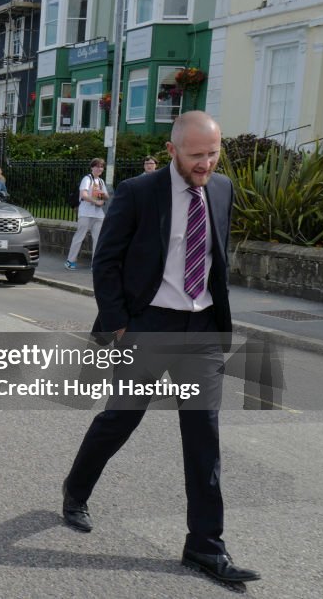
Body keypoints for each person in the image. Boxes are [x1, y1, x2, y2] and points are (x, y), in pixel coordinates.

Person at [60, 111, 261, 584]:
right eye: (196, 155)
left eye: (213, 153)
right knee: (121, 419)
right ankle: (76, 489)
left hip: (203, 329)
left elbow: (216, 257)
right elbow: (105, 264)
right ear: (173, 150)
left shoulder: (222, 188)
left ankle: (205, 546)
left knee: (203, 435)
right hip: (147, 326)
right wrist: (121, 328)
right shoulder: (137, 192)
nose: (206, 163)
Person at [65, 158, 108, 270]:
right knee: (79, 237)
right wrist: (96, 201)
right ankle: (70, 261)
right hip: (85, 213)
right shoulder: (87, 179)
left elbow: (105, 197)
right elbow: (83, 195)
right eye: (97, 166)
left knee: (98, 240)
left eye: (101, 167)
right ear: (92, 167)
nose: (99, 168)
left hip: (98, 215)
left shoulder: (101, 181)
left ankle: (95, 263)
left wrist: (101, 199)